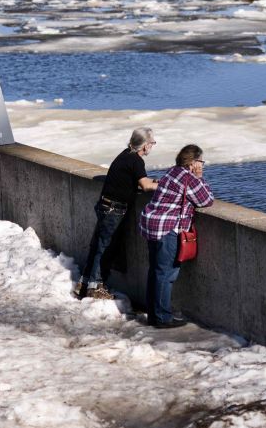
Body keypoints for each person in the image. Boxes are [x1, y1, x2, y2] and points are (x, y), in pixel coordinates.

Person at [76, 128, 159, 300]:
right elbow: (145, 186)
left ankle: (83, 283)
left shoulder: (125, 155)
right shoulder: (136, 161)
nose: (153, 146)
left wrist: (155, 181)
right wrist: (167, 186)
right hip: (114, 209)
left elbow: (135, 180)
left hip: (105, 205)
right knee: (104, 248)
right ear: (144, 145)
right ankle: (94, 287)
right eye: (152, 143)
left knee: (97, 245)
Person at [138, 144, 214, 328]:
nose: (202, 165)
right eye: (201, 161)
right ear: (194, 162)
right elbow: (206, 200)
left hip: (152, 224)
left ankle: (153, 315)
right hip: (168, 228)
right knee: (167, 273)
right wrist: (199, 177)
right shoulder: (189, 178)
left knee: (155, 271)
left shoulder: (172, 172)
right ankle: (163, 318)